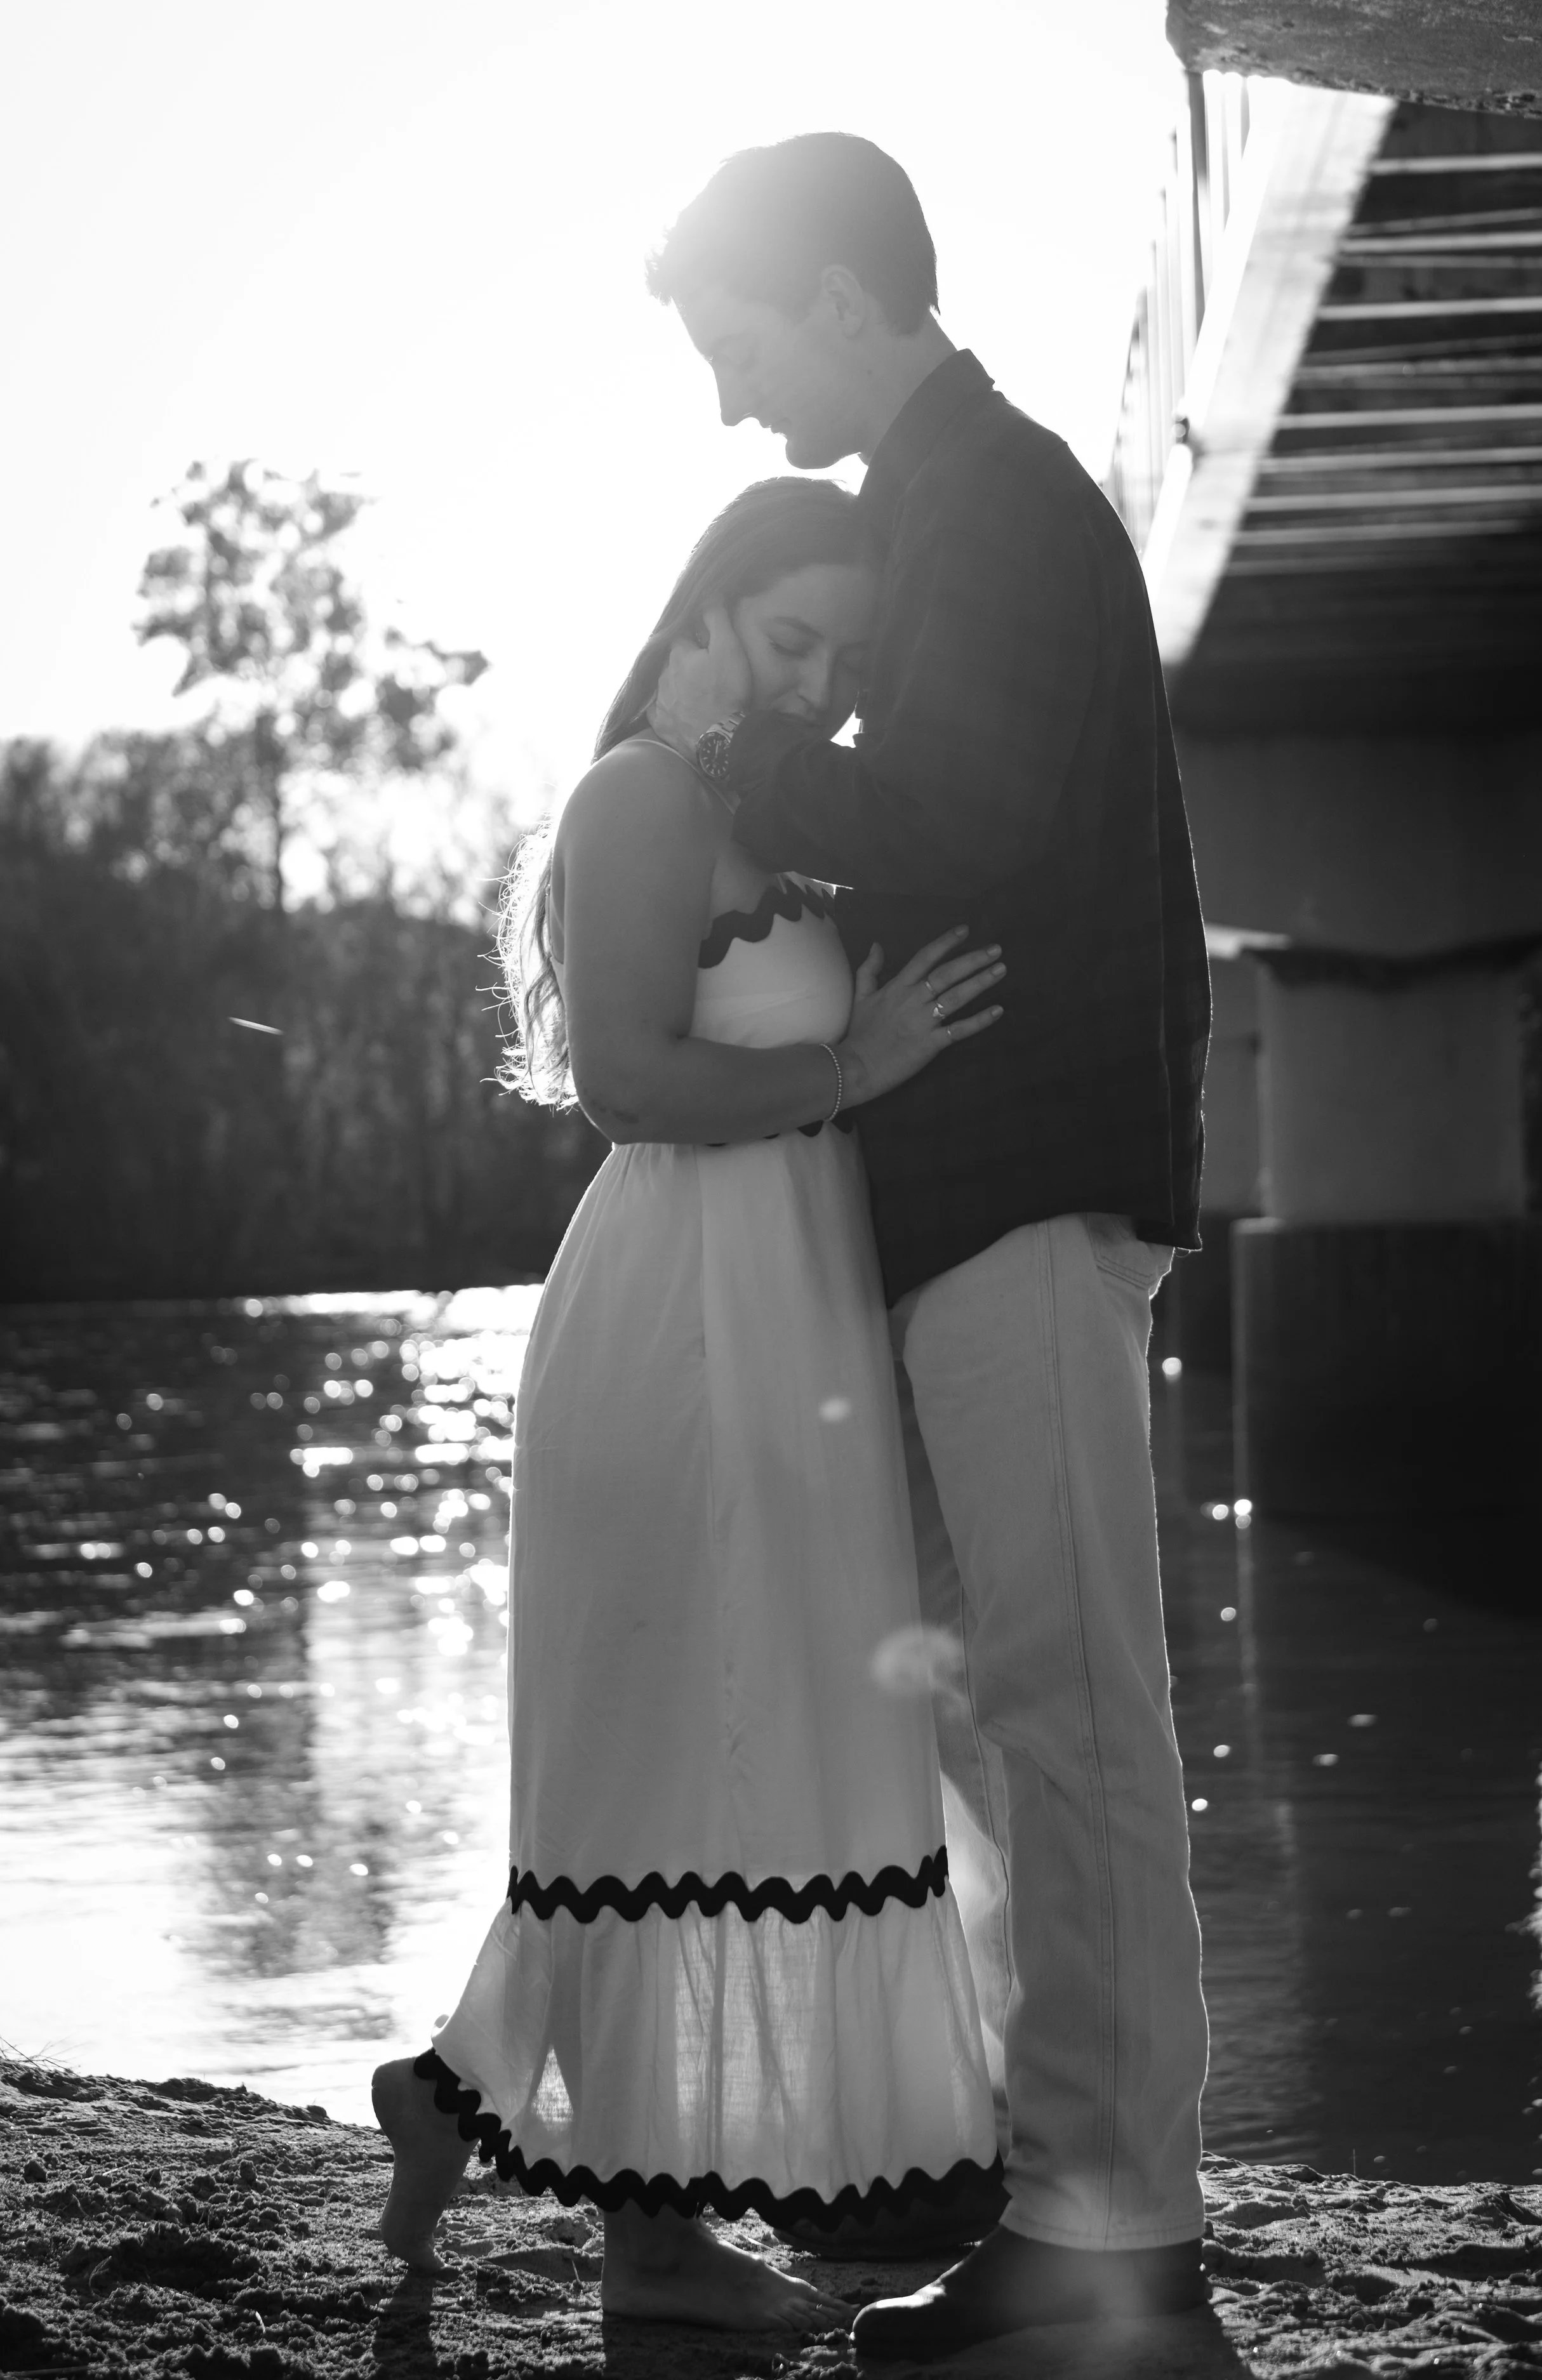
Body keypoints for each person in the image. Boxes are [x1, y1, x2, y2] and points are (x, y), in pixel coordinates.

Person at [646, 133, 1214, 2361]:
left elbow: (963, 820)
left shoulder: (996, 498)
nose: (724, 402)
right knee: (987, 1718)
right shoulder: (952, 504)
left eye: (735, 341)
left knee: (1070, 1715)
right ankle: (1046, 2214)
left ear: (843, 294)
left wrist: (744, 753)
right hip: (969, 1195)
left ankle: (1114, 2239)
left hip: (1027, 1190)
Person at [371, 477, 1006, 2335]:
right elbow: (629, 1085)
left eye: (845, 658)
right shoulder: (640, 795)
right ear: (706, 608)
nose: (815, 683)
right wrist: (856, 1059)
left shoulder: (772, 807)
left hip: (788, 1320)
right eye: (788, 640)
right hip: (674, 1329)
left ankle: (463, 2103)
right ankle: (644, 2253)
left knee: (755, 1747)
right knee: (657, 1754)